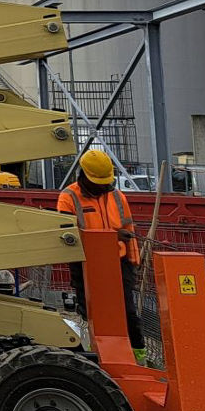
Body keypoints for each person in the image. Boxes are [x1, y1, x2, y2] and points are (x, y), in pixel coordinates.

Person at [58, 149, 145, 361]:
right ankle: (96, 356)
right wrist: (113, 235)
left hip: (119, 262)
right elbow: (68, 235)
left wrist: (133, 262)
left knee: (127, 312)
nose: (102, 186)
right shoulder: (69, 198)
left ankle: (138, 357)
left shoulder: (117, 197)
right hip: (86, 264)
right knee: (91, 312)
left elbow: (129, 228)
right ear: (84, 175)